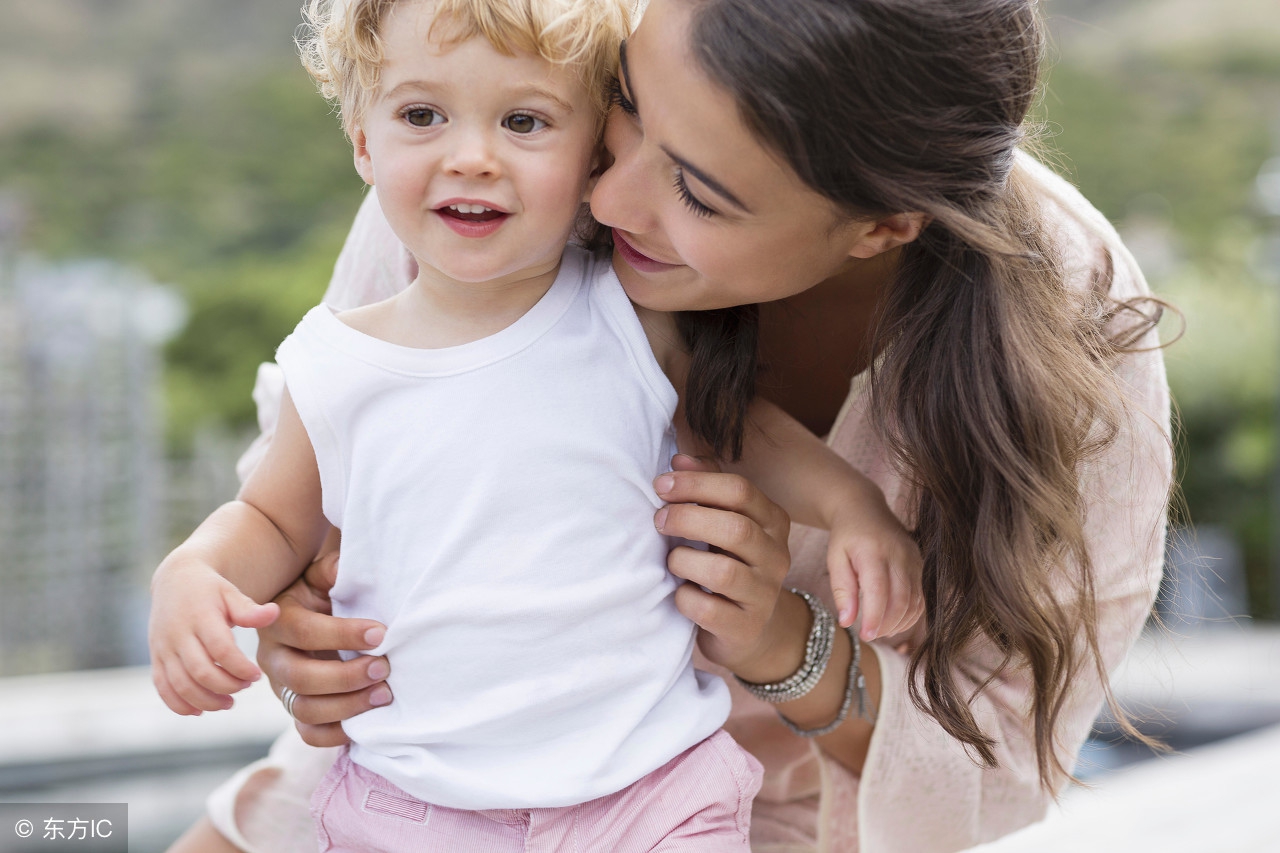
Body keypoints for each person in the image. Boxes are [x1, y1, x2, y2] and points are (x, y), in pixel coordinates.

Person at [167, 0, 1173, 851]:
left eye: (697, 191)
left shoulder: (1075, 327)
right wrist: (300, 638)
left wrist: (784, 641)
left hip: (718, 813)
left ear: (881, 226)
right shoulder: (490, 158)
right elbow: (305, 504)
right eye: (627, 110)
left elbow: (994, 765)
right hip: (423, 775)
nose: (605, 197)